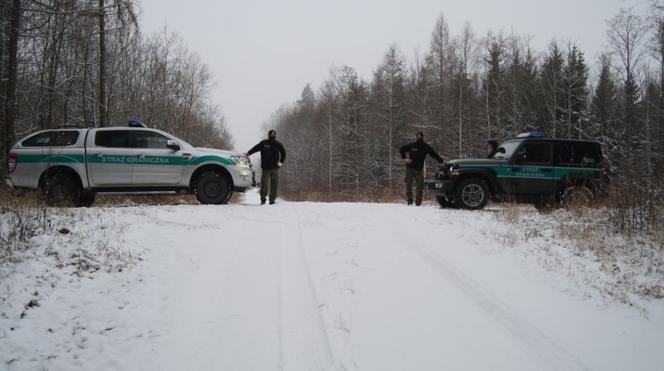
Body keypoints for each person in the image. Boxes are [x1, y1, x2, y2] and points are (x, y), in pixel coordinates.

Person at [399, 131, 444, 206]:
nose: (419, 137)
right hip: (410, 169)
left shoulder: (426, 147)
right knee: (408, 185)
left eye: (420, 136)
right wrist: (405, 158)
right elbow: (402, 149)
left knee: (420, 187)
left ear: (423, 137)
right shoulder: (412, 145)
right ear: (416, 137)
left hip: (419, 170)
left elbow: (434, 154)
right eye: (418, 136)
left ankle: (418, 203)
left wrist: (441, 161)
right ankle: (409, 202)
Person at [246, 129, 286, 205]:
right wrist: (248, 153)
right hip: (265, 169)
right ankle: (263, 199)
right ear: (269, 135)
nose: (272, 136)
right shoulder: (264, 143)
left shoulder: (278, 144)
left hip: (275, 168)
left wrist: (281, 162)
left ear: (276, 136)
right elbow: (255, 148)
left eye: (274, 135)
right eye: (271, 134)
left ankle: (272, 200)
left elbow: (283, 153)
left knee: (274, 184)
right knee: (264, 184)